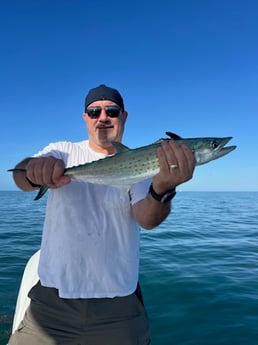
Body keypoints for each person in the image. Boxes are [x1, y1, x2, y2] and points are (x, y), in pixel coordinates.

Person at [9, 84, 195, 345]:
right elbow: (20, 178)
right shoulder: (62, 151)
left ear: (124, 116)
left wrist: (163, 188)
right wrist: (32, 170)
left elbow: (147, 220)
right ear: (86, 118)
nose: (103, 118)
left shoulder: (141, 163)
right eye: (94, 112)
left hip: (118, 310)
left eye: (112, 111)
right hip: (50, 307)